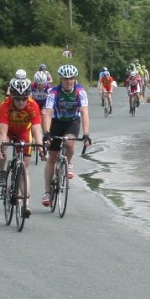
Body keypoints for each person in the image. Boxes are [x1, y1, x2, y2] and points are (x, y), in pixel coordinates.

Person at [41, 64, 91, 206]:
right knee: (53, 156)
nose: (69, 82)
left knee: (69, 143)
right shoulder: (53, 92)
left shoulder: (80, 92)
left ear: (75, 79)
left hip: (72, 122)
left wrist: (86, 134)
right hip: (57, 122)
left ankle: (69, 163)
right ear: (61, 80)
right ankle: (46, 192)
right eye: (66, 79)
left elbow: (84, 113)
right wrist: (46, 133)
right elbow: (48, 113)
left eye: (72, 79)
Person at [0, 77, 45, 217]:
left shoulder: (33, 105)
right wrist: (1, 149)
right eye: (17, 99)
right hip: (9, 130)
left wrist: (41, 148)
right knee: (2, 144)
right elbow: (3, 132)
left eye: (24, 98)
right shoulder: (5, 105)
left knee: (25, 168)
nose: (21, 102)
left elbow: (36, 129)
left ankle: (25, 203)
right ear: (12, 96)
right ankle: (2, 171)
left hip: (24, 131)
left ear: (28, 96)